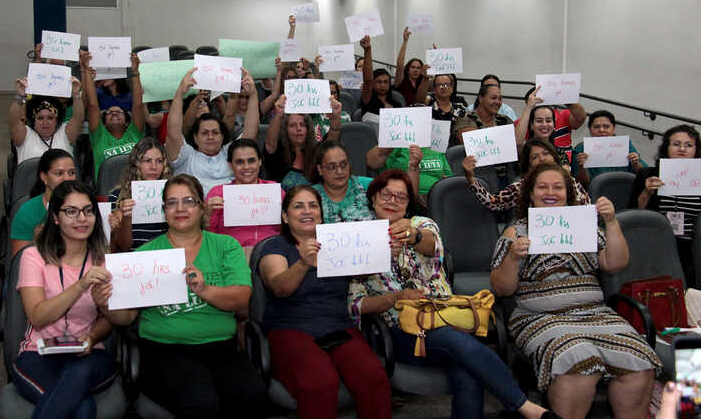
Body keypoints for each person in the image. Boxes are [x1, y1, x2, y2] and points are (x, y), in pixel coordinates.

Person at [349, 169, 558, 419]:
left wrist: (411, 236)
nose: (393, 201)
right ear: (373, 198)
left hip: (446, 316)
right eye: (386, 195)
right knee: (456, 345)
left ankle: (523, 406)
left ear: (409, 203)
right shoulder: (359, 238)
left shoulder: (422, 225)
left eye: (401, 197)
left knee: (467, 370)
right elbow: (356, 305)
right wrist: (395, 298)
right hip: (401, 331)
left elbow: (430, 244)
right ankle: (526, 407)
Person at [490, 163, 661, 419]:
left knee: (638, 358)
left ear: (568, 194)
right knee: (576, 359)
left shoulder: (583, 225)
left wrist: (611, 222)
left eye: (558, 187)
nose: (551, 192)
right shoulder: (516, 231)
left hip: (596, 314)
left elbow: (615, 263)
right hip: (541, 317)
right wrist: (514, 258)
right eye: (543, 187)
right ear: (531, 194)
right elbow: (501, 288)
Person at [92, 174, 269, 417]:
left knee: (253, 397)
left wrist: (205, 290)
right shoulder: (145, 255)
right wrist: (105, 305)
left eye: (189, 201)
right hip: (164, 351)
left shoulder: (226, 246)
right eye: (172, 203)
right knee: (202, 403)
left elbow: (241, 299)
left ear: (202, 207)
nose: (181, 208)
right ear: (164, 210)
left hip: (221, 348)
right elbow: (127, 318)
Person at [257, 186, 391, 419]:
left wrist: (386, 251)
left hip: (337, 326)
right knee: (319, 382)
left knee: (373, 377)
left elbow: (364, 270)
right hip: (291, 328)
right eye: (298, 206)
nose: (307, 211)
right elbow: (279, 287)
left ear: (321, 213)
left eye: (313, 205)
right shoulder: (275, 247)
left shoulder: (337, 242)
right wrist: (303, 263)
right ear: (285, 216)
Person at [13, 181, 117, 418]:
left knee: (78, 376)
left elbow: (109, 319)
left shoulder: (104, 258)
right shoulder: (34, 256)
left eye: (88, 211)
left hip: (90, 353)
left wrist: (92, 336)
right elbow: (38, 317)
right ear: (56, 218)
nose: (82, 218)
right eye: (71, 211)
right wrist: (81, 285)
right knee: (81, 407)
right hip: (38, 352)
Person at [165, 66, 260, 198]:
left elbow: (250, 132)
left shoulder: (230, 153)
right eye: (204, 133)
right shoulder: (187, 156)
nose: (210, 137)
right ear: (195, 137)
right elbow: (173, 133)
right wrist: (180, 94)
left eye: (215, 132)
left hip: (231, 212)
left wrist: (254, 95)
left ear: (222, 136)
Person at [628, 124, 701, 286]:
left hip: (693, 246)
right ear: (666, 148)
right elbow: (634, 214)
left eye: (688, 145)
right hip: (658, 243)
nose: (682, 149)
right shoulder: (648, 175)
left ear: (696, 150)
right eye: (676, 144)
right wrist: (647, 192)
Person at [205, 138, 284, 261]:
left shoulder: (275, 191)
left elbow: (286, 229)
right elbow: (210, 235)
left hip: (271, 252)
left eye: (251, 161)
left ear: (260, 162)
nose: (246, 167)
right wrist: (207, 214)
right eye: (239, 162)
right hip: (231, 254)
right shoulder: (218, 193)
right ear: (230, 165)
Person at [464, 138, 590, 212]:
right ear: (529, 165)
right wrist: (470, 177)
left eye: (546, 153)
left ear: (554, 157)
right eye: (535, 157)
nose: (542, 159)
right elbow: (493, 202)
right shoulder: (523, 186)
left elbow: (587, 210)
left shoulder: (570, 181)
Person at [81, 50, 146, 180]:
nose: (114, 113)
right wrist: (86, 70)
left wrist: (135, 72)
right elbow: (93, 105)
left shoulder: (135, 133)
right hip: (106, 190)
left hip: (135, 188)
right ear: (103, 122)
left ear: (128, 121)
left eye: (119, 112)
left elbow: (138, 105)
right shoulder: (99, 136)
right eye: (109, 112)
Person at [263, 93, 342, 190]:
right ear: (285, 130)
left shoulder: (317, 150)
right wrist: (278, 115)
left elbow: (333, 137)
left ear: (308, 128)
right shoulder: (279, 151)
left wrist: (336, 116)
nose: (298, 128)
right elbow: (270, 143)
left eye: (302, 124)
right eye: (292, 125)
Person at [108, 137, 173, 252]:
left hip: (166, 256)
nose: (154, 167)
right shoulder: (117, 196)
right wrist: (125, 219)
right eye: (147, 161)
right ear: (136, 164)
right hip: (133, 260)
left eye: (159, 161)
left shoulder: (173, 193)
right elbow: (124, 246)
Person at [10, 149, 77, 257]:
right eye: (59, 173)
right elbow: (18, 262)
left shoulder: (85, 206)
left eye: (72, 173)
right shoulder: (28, 211)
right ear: (44, 177)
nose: (67, 179)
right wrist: (37, 242)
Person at [9, 76, 84, 164]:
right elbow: (13, 121)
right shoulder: (25, 136)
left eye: (50, 118)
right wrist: (20, 95)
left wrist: (76, 94)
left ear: (57, 120)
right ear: (34, 120)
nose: (45, 122)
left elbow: (78, 118)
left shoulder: (65, 133)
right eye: (40, 118)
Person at [572, 110, 647, 186]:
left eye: (606, 126)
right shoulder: (580, 149)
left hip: (624, 189)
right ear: (590, 129)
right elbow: (581, 183)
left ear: (613, 128)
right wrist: (582, 166)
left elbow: (644, 173)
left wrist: (636, 163)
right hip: (594, 193)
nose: (601, 130)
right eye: (596, 127)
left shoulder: (625, 145)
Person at [312, 141, 374, 223]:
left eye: (343, 164)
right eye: (331, 167)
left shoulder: (368, 185)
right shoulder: (311, 195)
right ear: (320, 169)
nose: (339, 171)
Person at [514, 86, 587, 156]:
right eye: (534, 103)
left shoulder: (562, 115)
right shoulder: (522, 123)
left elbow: (580, 118)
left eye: (548, 120)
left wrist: (565, 97)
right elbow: (517, 143)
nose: (544, 124)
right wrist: (529, 107)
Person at [366, 143, 451, 200]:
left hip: (437, 198)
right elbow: (371, 163)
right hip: (404, 198)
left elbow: (448, 177)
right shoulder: (395, 146)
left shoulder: (436, 145)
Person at [360, 36, 404, 117]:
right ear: (373, 83)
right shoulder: (368, 100)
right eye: (379, 82)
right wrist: (367, 50)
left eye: (386, 82)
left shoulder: (397, 105)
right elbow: (368, 80)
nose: (382, 85)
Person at [393, 27, 430, 106]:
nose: (416, 70)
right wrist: (405, 41)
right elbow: (400, 65)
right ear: (407, 69)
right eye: (413, 67)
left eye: (418, 68)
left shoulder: (423, 81)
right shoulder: (401, 80)